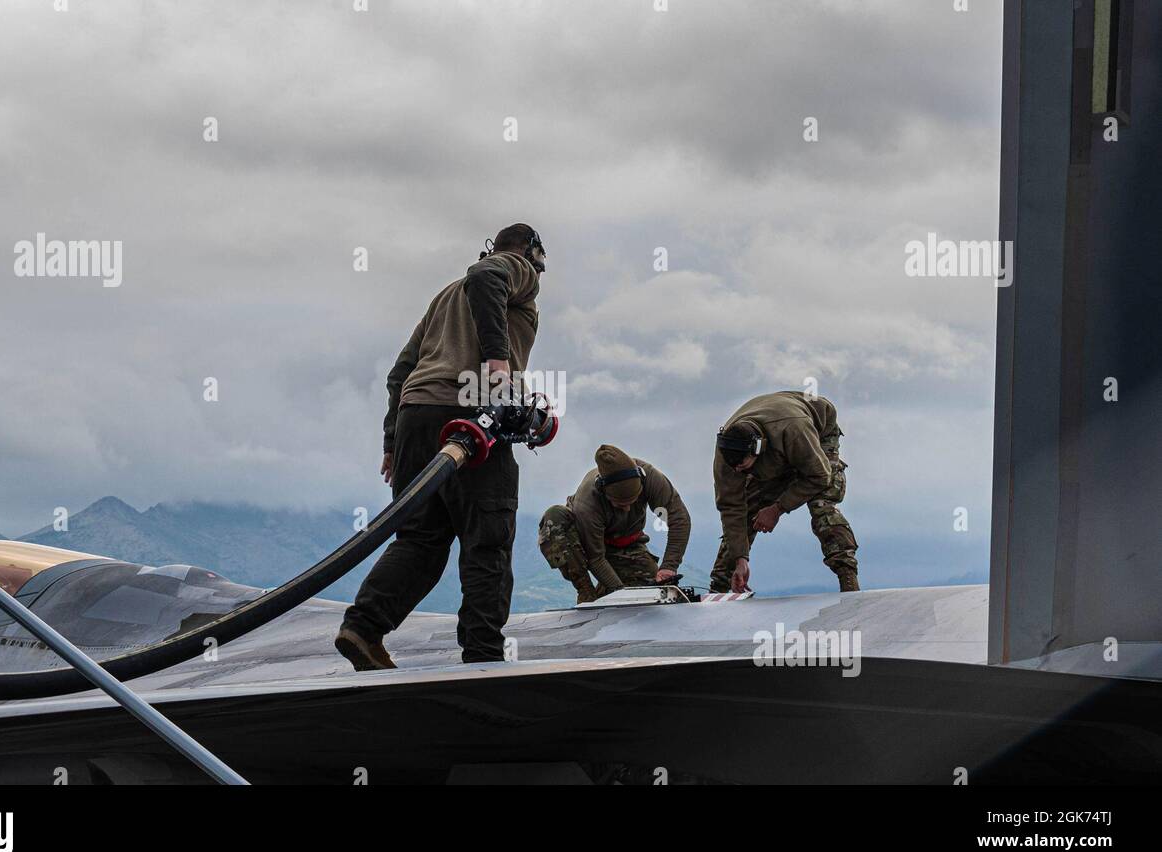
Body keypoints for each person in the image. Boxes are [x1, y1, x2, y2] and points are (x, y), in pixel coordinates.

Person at [335, 223, 547, 670]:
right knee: (486, 540)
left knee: (420, 538)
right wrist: (496, 358)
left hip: (417, 415)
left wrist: (393, 442)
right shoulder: (516, 270)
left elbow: (400, 372)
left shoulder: (443, 297)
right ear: (530, 252)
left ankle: (364, 628)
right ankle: (483, 658)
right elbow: (487, 276)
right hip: (472, 414)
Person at [711, 391, 859, 594]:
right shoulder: (729, 455)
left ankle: (847, 576)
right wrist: (740, 558)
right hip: (773, 446)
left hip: (816, 432)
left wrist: (778, 508)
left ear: (756, 449)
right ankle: (721, 585)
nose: (737, 471)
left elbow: (820, 476)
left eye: (742, 467)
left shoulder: (794, 429)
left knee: (821, 504)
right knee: (747, 511)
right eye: (734, 467)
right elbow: (731, 507)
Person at [539, 445, 691, 604]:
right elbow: (596, 558)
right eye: (620, 504)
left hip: (628, 544)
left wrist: (668, 566)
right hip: (587, 545)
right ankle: (586, 592)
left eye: (633, 501)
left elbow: (679, 519)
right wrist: (619, 592)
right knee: (555, 517)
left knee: (652, 595)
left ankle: (605, 591)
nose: (627, 509)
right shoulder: (588, 502)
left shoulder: (650, 477)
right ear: (603, 491)